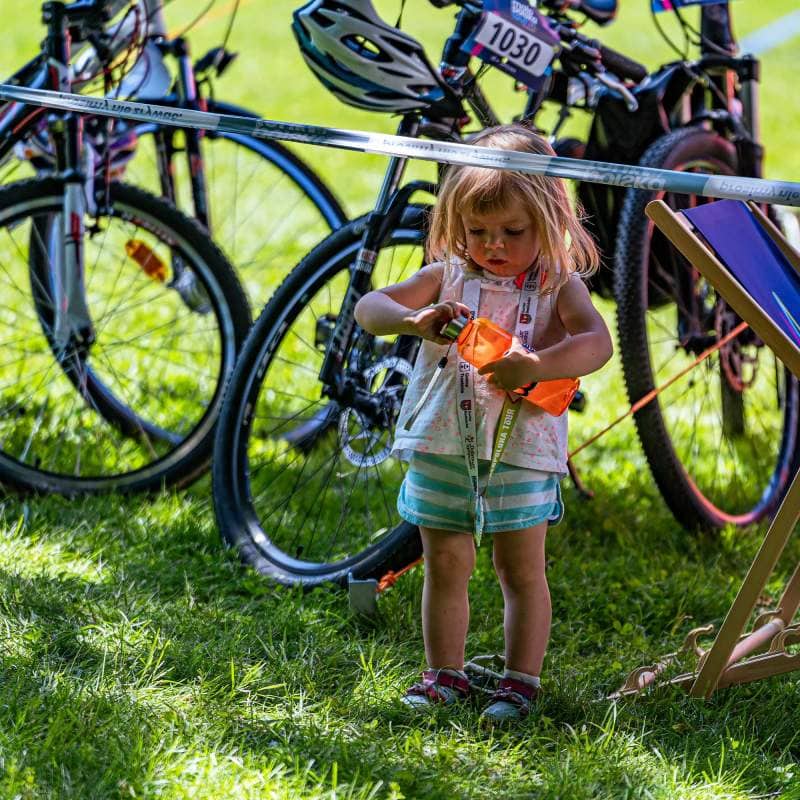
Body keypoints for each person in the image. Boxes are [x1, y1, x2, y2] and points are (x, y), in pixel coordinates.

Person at [354, 124, 613, 724]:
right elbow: (371, 309)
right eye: (477, 231)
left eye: (512, 232)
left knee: (520, 568)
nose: (493, 245)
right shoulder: (448, 275)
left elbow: (596, 344)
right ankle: (444, 672)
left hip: (522, 451)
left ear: (548, 221)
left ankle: (520, 681)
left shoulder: (555, 283)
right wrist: (415, 319)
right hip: (444, 445)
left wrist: (540, 363)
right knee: (445, 562)